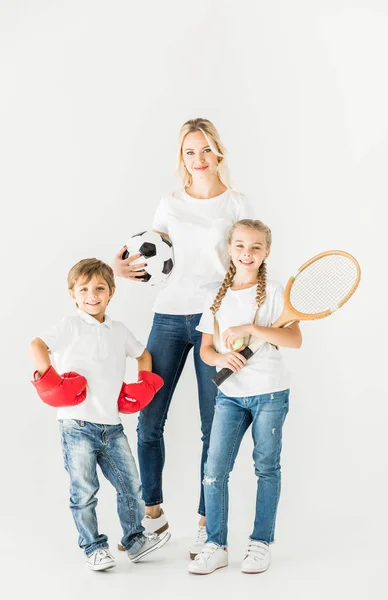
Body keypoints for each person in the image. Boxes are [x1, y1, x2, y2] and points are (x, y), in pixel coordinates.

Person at [112, 118, 253, 557]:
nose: (199, 160)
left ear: (219, 154)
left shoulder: (237, 203)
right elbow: (151, 257)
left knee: (214, 427)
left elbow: (248, 259)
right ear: (182, 158)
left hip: (215, 320)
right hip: (168, 318)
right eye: (190, 152)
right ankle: (153, 514)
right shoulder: (168, 204)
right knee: (150, 420)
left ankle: (206, 521)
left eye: (206, 150)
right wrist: (120, 270)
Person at [29, 258, 170, 571]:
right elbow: (37, 345)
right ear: (73, 294)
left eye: (99, 289)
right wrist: (50, 380)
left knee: (131, 486)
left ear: (111, 292)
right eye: (84, 289)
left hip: (112, 426)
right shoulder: (70, 326)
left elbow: (143, 354)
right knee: (84, 491)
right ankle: (94, 547)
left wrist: (143, 384)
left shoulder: (118, 330)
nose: (92, 295)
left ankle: (134, 540)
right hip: (75, 424)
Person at [188, 219, 302, 575]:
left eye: (255, 247)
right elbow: (206, 349)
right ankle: (215, 544)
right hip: (230, 395)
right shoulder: (214, 295)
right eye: (239, 246)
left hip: (269, 392)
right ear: (229, 249)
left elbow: (294, 339)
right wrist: (221, 358)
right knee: (214, 469)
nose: (246, 253)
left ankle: (260, 543)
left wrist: (253, 328)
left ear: (266, 252)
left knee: (266, 467)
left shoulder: (277, 292)